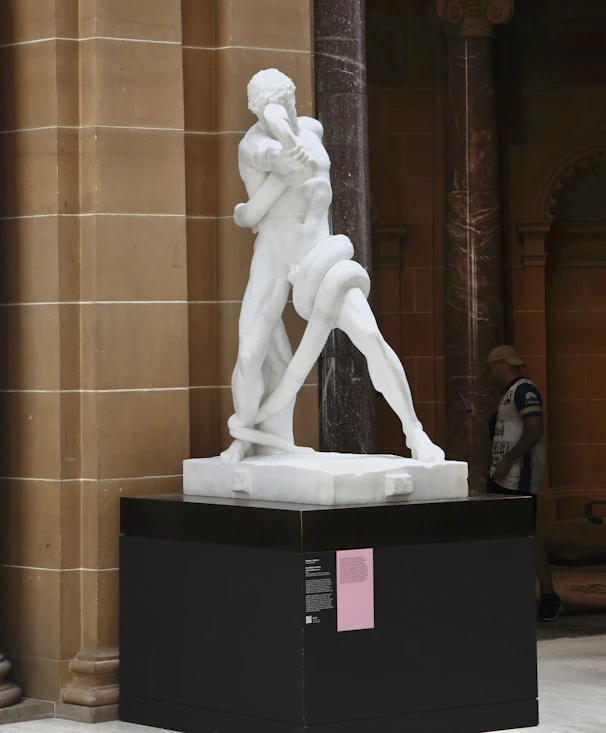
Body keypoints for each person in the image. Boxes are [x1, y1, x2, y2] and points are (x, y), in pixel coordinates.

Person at [221, 68, 445, 466]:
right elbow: (274, 159)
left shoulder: (313, 130)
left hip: (322, 256)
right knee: (250, 354)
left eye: (281, 106)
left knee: (371, 337)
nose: (274, 115)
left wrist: (291, 144)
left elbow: (301, 160)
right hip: (274, 257)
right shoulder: (254, 145)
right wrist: (281, 155)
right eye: (264, 112)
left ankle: (415, 432)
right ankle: (246, 435)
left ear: (293, 101)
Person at [466, 345, 561, 622]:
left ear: (499, 364)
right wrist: (476, 416)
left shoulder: (523, 390)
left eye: (491, 367)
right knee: (505, 535)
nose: (490, 372)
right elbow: (501, 430)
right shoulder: (508, 395)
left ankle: (549, 596)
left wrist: (510, 458)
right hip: (502, 477)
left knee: (526, 536)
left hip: (519, 479)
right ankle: (506, 593)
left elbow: (535, 427)